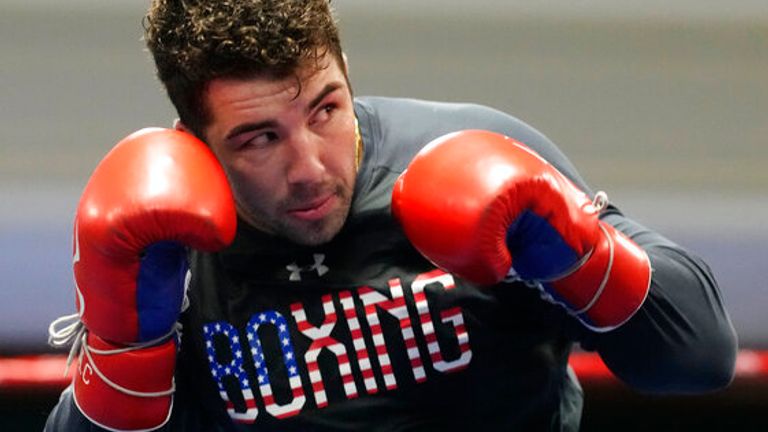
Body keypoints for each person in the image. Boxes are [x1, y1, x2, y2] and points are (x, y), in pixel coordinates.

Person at [45, 1, 738, 431]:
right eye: (260, 138)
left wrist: (580, 252)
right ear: (192, 138)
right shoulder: (167, 246)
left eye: (325, 109)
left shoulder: (470, 151)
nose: (311, 167)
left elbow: (694, 360)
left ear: (347, 70)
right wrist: (123, 347)